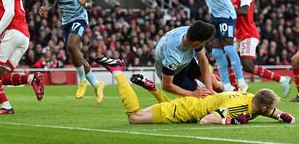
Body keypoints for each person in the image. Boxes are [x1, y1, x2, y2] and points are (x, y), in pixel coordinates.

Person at [94, 57, 295, 125]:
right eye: (271, 109)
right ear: (262, 106)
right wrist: (233, 121)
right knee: (134, 118)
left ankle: (152, 88)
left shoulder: (252, 98)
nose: (271, 111)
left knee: (164, 105)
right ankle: (118, 71)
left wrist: (283, 116)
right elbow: (206, 120)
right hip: (187, 111)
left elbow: (269, 109)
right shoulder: (240, 106)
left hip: (193, 103)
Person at [98, 21, 222, 101]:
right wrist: (192, 93)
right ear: (196, 43)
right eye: (204, 42)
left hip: (187, 62)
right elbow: (166, 85)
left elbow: (202, 59)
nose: (206, 44)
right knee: (202, 97)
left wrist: (210, 87)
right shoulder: (172, 56)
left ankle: (222, 88)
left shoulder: (191, 32)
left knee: (217, 87)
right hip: (176, 75)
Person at [178, 0, 247, 92]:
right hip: (215, 15)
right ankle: (227, 85)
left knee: (228, 47)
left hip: (226, 14)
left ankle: (241, 82)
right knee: (216, 52)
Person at [39, 0, 104, 103]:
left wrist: (84, 4)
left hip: (80, 18)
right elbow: (51, 2)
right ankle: (97, 84)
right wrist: (46, 8)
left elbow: (90, 3)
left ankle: (82, 81)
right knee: (76, 54)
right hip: (66, 21)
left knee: (71, 46)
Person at [229, 0, 291, 96]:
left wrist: (227, 12)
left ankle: (283, 79)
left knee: (247, 65)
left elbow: (245, 11)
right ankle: (235, 90)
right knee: (230, 59)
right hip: (239, 34)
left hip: (248, 34)